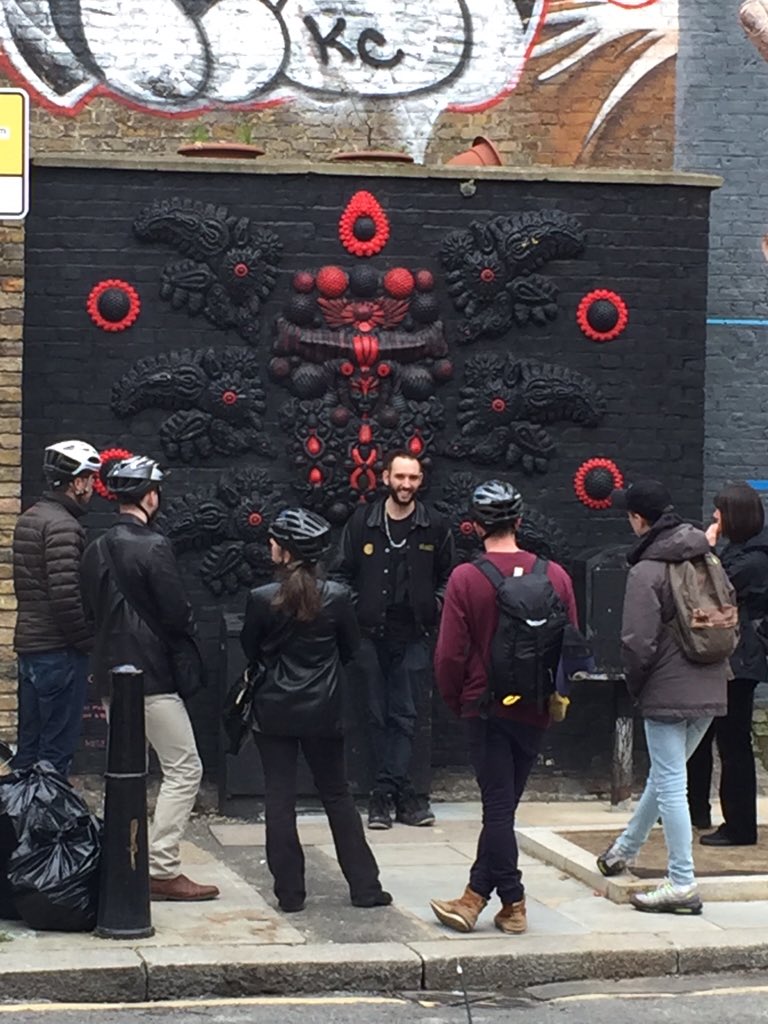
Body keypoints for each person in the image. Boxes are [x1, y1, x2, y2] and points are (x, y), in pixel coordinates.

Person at [430, 480, 578, 935]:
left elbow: (450, 654)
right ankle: (475, 895)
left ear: (475, 527)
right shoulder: (556, 575)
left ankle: (513, 901)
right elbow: (569, 644)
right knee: (504, 807)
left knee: (496, 809)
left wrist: (457, 700)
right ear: (519, 522)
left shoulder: (466, 578)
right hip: (534, 707)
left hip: (486, 706)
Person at [81, 455, 218, 902]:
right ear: (150, 496)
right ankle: (160, 865)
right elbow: (177, 613)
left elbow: (89, 613)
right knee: (184, 767)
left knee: (126, 771)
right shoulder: (155, 547)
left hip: (108, 673)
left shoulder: (94, 548)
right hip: (151, 676)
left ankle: (123, 860)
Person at [241, 508, 391, 914]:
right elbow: (350, 649)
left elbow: (251, 650)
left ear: (286, 552)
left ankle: (290, 894)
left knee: (279, 798)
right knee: (338, 796)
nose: (269, 545)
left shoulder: (260, 599)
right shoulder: (338, 598)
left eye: (274, 540)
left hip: (273, 710)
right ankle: (365, 887)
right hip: (324, 709)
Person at [597, 480, 729, 914]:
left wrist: (638, 684)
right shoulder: (705, 554)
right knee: (665, 774)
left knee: (672, 782)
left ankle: (681, 881)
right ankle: (623, 850)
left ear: (638, 519)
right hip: (712, 680)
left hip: (667, 689)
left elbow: (636, 642)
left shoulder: (647, 569)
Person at [334, 451, 455, 830]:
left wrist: (433, 607)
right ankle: (402, 797)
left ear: (421, 481)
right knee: (375, 715)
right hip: (369, 636)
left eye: (413, 478)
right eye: (400, 477)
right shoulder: (363, 521)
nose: (406, 485)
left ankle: (383, 797)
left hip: (414, 635)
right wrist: (357, 609)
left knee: (404, 715)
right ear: (385, 476)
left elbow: (449, 577)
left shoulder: (434, 525)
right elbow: (342, 573)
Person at [12, 440, 102, 775]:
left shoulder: (30, 518)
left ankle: (17, 823)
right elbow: (65, 598)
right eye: (90, 479)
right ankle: (47, 826)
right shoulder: (64, 526)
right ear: (76, 482)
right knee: (54, 755)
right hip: (58, 651)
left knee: (28, 750)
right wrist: (86, 642)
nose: (93, 486)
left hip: (31, 649)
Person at [687, 481, 768, 846]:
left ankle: (740, 827)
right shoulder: (742, 554)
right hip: (729, 656)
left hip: (739, 660)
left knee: (733, 743)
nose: (714, 516)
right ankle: (697, 809)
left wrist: (707, 549)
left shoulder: (751, 562)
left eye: (719, 510)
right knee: (706, 734)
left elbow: (710, 591)